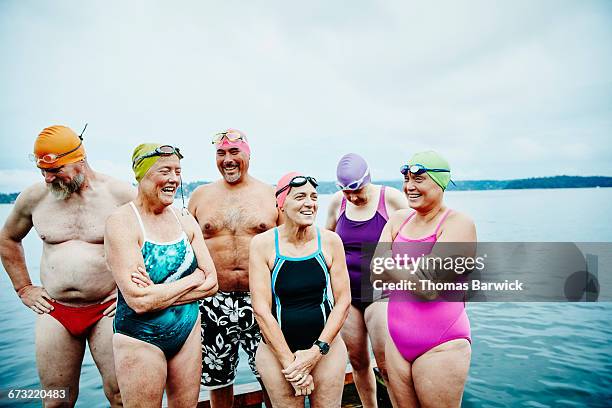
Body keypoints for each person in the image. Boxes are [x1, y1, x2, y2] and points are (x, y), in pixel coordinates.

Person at [0, 125, 134, 407]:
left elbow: (155, 242)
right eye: (43, 171)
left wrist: (130, 293)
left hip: (107, 308)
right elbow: (8, 238)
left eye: (56, 170)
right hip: (54, 309)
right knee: (55, 401)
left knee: (120, 396)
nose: (49, 179)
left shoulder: (120, 195)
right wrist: (24, 288)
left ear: (80, 160)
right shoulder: (34, 198)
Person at [104, 143, 218, 407]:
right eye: (165, 171)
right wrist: (192, 279)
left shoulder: (184, 219)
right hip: (140, 336)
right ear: (142, 175)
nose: (174, 179)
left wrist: (156, 293)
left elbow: (212, 282)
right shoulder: (122, 222)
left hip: (187, 331)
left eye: (178, 171)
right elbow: (139, 302)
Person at [374, 151, 474, 407]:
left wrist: (389, 263)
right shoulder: (398, 219)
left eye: (419, 179)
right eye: (407, 179)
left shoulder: (458, 224)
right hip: (397, 341)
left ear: (440, 183)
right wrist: (409, 271)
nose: (409, 186)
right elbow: (374, 270)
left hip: (442, 344)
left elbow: (428, 289)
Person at [188, 129, 278, 407]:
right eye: (221, 153)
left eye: (234, 152)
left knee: (272, 376)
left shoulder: (271, 195)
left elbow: (289, 246)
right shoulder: (200, 196)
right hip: (212, 300)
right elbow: (184, 247)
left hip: (261, 299)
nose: (228, 159)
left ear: (248, 154)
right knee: (218, 381)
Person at [250, 172, 351, 408]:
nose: (310, 203)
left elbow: (343, 300)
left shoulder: (330, 241)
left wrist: (316, 351)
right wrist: (293, 366)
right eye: (300, 197)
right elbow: (261, 309)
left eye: (314, 197)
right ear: (282, 203)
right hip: (277, 353)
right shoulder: (262, 244)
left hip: (326, 350)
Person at [325, 153, 408, 408]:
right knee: (358, 361)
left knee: (385, 364)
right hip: (347, 294)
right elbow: (326, 242)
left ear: (367, 180)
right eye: (347, 192)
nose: (353, 198)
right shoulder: (337, 203)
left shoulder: (391, 199)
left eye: (357, 191)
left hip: (381, 292)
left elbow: (414, 239)